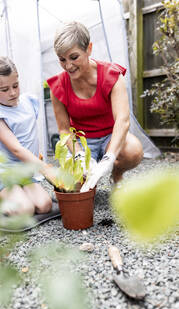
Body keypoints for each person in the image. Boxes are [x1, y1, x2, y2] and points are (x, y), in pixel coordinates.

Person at [47, 21, 143, 192]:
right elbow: (63, 129)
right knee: (72, 188)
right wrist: (79, 155)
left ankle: (117, 175)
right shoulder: (58, 86)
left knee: (133, 151)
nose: (68, 66)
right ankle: (87, 178)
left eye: (74, 57)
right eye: (62, 59)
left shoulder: (111, 75)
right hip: (82, 141)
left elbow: (122, 120)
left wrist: (109, 158)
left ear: (89, 49)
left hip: (109, 137)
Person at [0, 56, 55, 216]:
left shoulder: (29, 101)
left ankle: (18, 192)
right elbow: (16, 149)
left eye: (15, 85)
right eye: (5, 89)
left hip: (24, 173)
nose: (13, 92)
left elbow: (28, 135)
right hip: (2, 174)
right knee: (25, 210)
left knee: (45, 205)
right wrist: (43, 167)